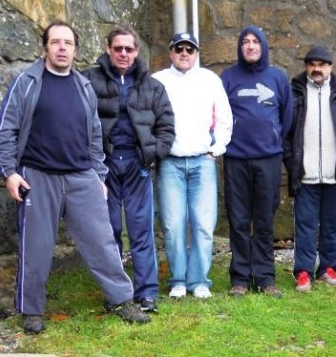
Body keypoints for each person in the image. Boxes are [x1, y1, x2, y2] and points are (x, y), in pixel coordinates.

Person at [0, 21, 149, 335]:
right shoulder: (26, 82)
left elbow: (94, 135)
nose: (62, 48)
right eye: (56, 42)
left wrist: (99, 176)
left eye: (68, 43)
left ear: (76, 50)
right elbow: (5, 129)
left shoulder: (83, 86)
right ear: (45, 48)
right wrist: (9, 172)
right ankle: (31, 311)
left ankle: (122, 300)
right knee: (36, 247)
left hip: (81, 178)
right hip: (38, 177)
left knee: (103, 242)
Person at [82, 25, 175, 314]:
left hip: (137, 166)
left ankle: (146, 294)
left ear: (137, 52)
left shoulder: (153, 87)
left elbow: (167, 127)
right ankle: (115, 295)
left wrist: (151, 155)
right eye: (118, 48)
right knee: (108, 231)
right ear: (108, 49)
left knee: (141, 230)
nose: (124, 53)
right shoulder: (88, 81)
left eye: (129, 48)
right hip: (104, 167)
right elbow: (78, 120)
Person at [152, 33, 233, 300]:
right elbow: (148, 117)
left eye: (190, 49)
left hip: (202, 161)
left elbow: (224, 117)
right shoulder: (158, 81)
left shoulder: (209, 80)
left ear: (196, 53)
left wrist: (217, 148)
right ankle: (178, 279)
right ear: (171, 52)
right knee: (174, 225)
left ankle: (199, 280)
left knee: (203, 224)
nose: (184, 53)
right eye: (179, 49)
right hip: (170, 163)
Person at [221, 26, 292, 298]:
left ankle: (264, 277)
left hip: (268, 160)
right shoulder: (227, 77)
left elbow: (286, 116)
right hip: (236, 159)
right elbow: (220, 115)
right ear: (240, 47)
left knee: (264, 219)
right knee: (238, 219)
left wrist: (272, 139)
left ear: (263, 46)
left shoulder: (277, 78)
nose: (250, 46)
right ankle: (240, 277)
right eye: (245, 42)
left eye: (255, 42)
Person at [284, 46, 336, 292]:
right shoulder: (294, 94)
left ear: (330, 68)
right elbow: (286, 134)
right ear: (306, 67)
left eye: (322, 65)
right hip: (306, 175)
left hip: (334, 174)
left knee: (332, 223)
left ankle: (327, 268)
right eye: (312, 64)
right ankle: (303, 272)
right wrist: (292, 162)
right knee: (304, 224)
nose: (317, 69)